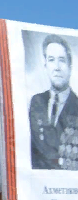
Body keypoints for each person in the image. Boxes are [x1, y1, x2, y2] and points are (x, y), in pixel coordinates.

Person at [29, 34, 78, 170]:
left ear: (70, 66)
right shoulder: (36, 102)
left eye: (62, 60)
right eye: (51, 60)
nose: (56, 67)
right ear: (45, 66)